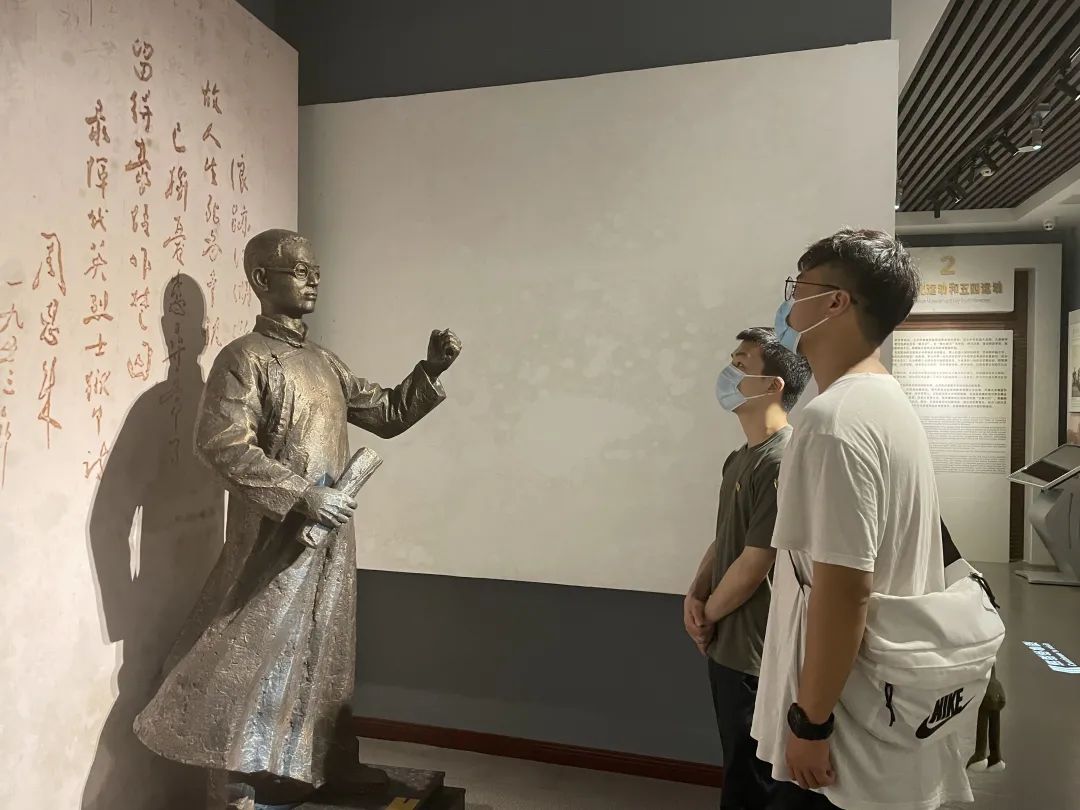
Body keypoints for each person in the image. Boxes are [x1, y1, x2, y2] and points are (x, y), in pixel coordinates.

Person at [134, 229, 462, 808]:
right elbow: (221, 444)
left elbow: (385, 413)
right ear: (262, 279)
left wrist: (429, 371)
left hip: (332, 536)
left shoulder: (322, 361)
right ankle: (239, 773)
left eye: (316, 272)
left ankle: (328, 759)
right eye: (300, 271)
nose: (313, 281)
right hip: (276, 537)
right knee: (252, 648)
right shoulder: (244, 359)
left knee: (328, 649)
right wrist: (301, 495)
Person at [751, 228, 974, 809]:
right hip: (885, 701)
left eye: (798, 288)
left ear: (835, 302)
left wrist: (811, 722)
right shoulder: (886, 401)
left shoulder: (833, 421)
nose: (788, 305)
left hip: (848, 723)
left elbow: (844, 588)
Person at [684, 327, 811, 810]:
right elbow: (727, 537)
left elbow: (757, 560)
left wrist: (707, 614)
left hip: (757, 651)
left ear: (773, 385)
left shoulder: (782, 460)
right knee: (738, 769)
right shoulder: (740, 458)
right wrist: (695, 594)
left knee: (755, 782)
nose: (728, 372)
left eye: (741, 364)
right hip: (727, 643)